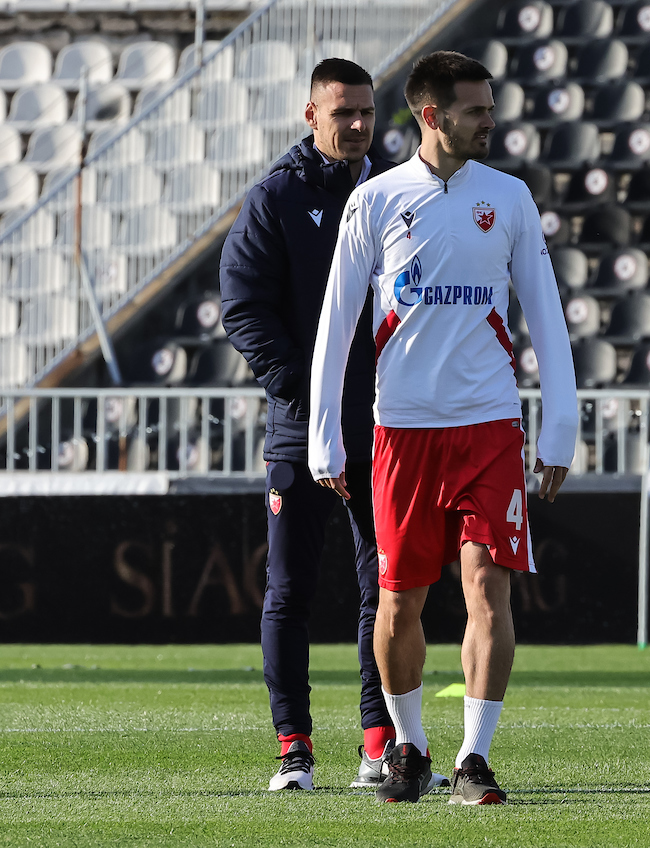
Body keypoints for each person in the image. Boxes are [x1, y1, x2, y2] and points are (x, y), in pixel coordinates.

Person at [308, 50, 577, 805]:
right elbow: (336, 324)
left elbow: (547, 317)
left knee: (488, 589)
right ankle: (410, 746)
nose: (490, 120)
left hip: (489, 428)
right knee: (398, 600)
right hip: (401, 433)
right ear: (432, 115)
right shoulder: (376, 200)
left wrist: (559, 428)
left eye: (490, 106)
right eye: (476, 110)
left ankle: (474, 759)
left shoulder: (510, 198)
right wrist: (325, 437)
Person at [220, 58, 405, 791]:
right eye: (342, 112)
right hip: (301, 432)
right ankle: (293, 748)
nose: (358, 125)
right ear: (312, 115)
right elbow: (243, 308)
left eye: (367, 112)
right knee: (290, 591)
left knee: (386, 589)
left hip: (387, 431)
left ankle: (378, 744)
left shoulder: (400, 193)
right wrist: (310, 394)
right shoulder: (275, 198)